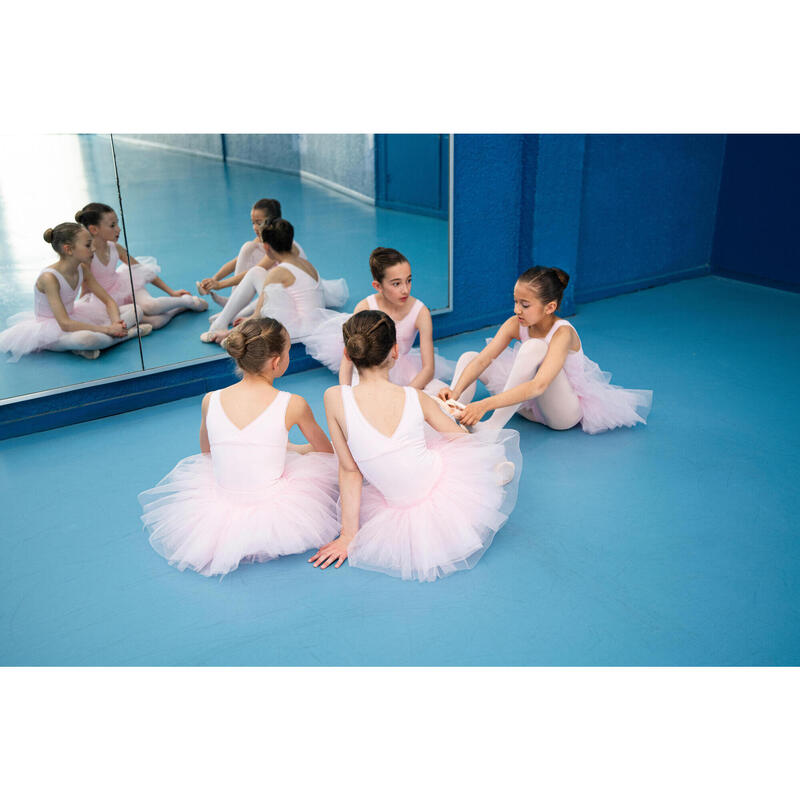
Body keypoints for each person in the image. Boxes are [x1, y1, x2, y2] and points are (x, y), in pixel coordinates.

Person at [309, 309, 521, 583]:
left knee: (414, 429)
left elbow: (350, 471)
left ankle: (462, 436)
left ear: (348, 355)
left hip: (396, 497)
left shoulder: (333, 398)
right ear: (395, 351)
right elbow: (462, 442)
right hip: (439, 486)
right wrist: (449, 418)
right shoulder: (415, 396)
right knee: (443, 426)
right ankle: (491, 470)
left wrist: (348, 535)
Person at [139, 317, 340, 577]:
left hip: (222, 500)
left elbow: (207, 454)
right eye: (289, 350)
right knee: (327, 454)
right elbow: (325, 453)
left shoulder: (210, 400)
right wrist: (294, 449)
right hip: (277, 508)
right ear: (277, 362)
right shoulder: (293, 404)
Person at [439, 267, 653, 433]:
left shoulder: (563, 333)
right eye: (515, 302)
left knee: (534, 348)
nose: (516, 310)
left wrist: (485, 405)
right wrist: (456, 390)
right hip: (528, 408)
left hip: (560, 413)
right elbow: (481, 362)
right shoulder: (515, 323)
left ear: (549, 307)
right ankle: (450, 414)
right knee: (470, 357)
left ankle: (492, 427)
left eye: (525, 304)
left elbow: (539, 386)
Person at [303, 247, 453, 394]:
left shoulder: (420, 312)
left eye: (408, 280)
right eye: (396, 283)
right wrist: (345, 394)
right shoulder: (365, 307)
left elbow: (428, 369)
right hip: (371, 370)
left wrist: (406, 395)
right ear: (378, 286)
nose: (405, 290)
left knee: (442, 394)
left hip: (407, 371)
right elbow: (347, 359)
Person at [0, 222, 149, 362]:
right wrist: (108, 329)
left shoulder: (82, 268)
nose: (93, 249)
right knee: (87, 339)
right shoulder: (49, 278)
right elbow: (65, 324)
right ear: (68, 249)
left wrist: (116, 323)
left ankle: (96, 343)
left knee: (136, 310)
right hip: (52, 328)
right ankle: (129, 334)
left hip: (76, 316)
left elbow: (108, 301)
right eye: (87, 245)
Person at [200, 218, 346, 344]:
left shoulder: (278, 273)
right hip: (313, 323)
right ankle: (225, 321)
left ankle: (221, 325)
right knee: (257, 274)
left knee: (256, 272)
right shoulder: (307, 265)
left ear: (267, 247)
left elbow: (259, 315)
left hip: (297, 331)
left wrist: (231, 333)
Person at [75, 203, 207, 329]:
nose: (118, 229)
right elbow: (86, 288)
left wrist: (171, 292)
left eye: (117, 224)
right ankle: (178, 309)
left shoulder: (116, 248)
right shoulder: (86, 257)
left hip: (124, 285)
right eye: (112, 225)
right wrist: (85, 310)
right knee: (156, 322)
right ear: (94, 229)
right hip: (105, 299)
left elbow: (143, 271)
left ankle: (187, 301)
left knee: (151, 306)